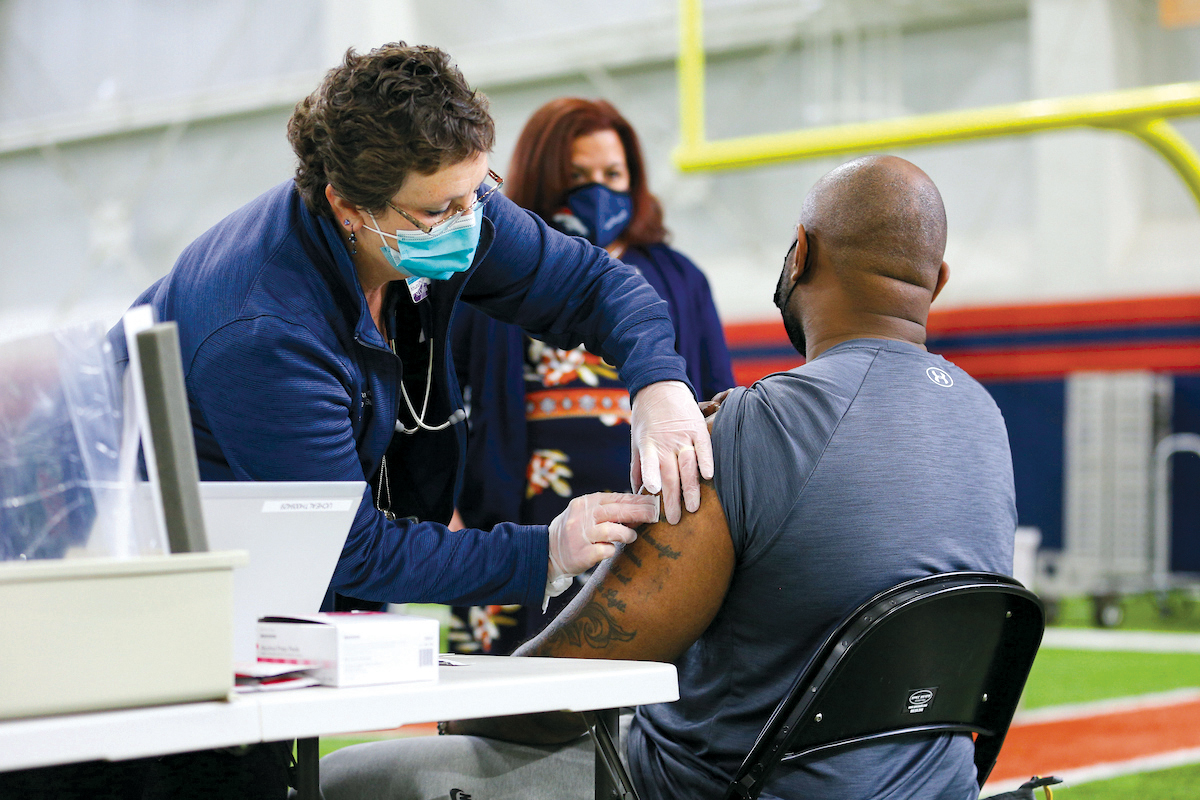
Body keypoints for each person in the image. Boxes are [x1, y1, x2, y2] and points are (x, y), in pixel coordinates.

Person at [94, 43, 712, 799]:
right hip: (152, 602)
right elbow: (350, 549)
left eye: (477, 190)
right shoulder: (265, 329)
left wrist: (657, 384)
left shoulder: (441, 211)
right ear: (349, 208)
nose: (469, 221)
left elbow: (594, 283)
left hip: (267, 582)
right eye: (438, 210)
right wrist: (544, 550)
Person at [319, 155, 1018, 800]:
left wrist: (464, 714)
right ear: (939, 281)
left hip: (713, 787)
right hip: (937, 791)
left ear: (800, 254)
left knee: (348, 777)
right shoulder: (987, 424)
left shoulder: (756, 427)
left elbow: (574, 683)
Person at [448, 97, 735, 654]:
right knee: (512, 699)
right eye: (576, 177)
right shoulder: (487, 273)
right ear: (542, 177)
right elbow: (445, 392)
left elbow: (720, 399)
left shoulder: (681, 278)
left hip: (652, 523)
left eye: (612, 175)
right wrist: (450, 508)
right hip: (522, 516)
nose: (597, 190)